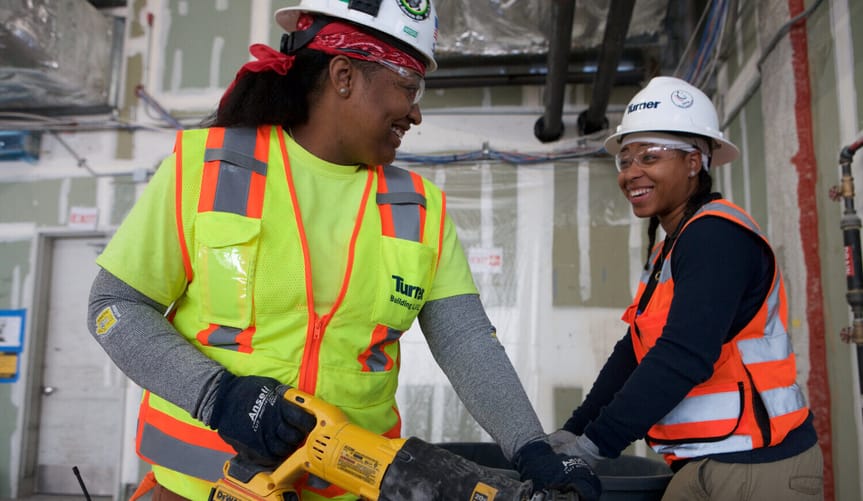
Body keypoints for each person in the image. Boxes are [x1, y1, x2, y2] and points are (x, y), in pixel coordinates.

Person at [87, 1, 600, 500]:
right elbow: (114, 307)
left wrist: (533, 449)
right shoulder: (209, 167)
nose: (416, 113)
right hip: (201, 486)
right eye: (408, 87)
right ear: (344, 75)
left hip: (344, 488)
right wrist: (218, 395)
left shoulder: (419, 208)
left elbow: (467, 342)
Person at [549, 76, 823, 501]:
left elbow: (683, 355)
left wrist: (594, 446)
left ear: (695, 162)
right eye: (625, 160)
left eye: (650, 156)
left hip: (760, 465)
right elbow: (634, 352)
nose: (631, 173)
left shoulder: (716, 236)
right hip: (704, 463)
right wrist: (575, 428)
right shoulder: (672, 247)